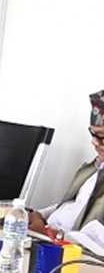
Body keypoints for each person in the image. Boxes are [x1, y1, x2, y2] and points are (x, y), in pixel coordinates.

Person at [29, 89, 104, 234]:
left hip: (69, 245)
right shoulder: (95, 168)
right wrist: (39, 215)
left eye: (102, 137)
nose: (94, 142)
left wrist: (52, 235)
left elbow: (95, 241)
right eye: (93, 134)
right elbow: (75, 205)